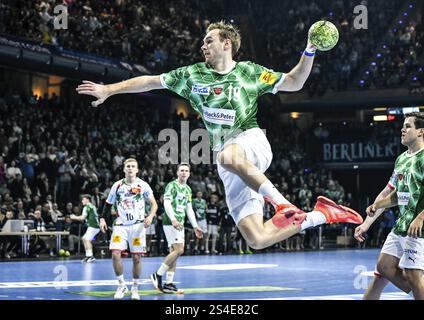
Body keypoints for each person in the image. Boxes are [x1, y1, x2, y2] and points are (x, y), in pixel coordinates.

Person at [77, 21, 363, 252]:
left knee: (229, 155)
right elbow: (150, 81)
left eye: (208, 40)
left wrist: (309, 49)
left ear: (227, 44)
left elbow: (295, 81)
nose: (203, 46)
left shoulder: (250, 72)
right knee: (256, 238)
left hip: (251, 140)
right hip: (227, 160)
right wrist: (109, 90)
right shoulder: (191, 75)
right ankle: (322, 215)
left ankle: (282, 203)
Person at [361, 112, 424, 300]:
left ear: (421, 131)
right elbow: (399, 194)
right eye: (403, 126)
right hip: (402, 225)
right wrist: (377, 204)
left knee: (413, 275)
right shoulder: (401, 159)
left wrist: (420, 218)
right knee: (384, 266)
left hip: (419, 228)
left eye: (408, 126)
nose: (403, 130)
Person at [99, 158, 158, 300]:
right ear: (124, 169)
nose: (130, 168)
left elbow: (154, 204)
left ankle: (135, 288)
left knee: (136, 257)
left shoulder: (143, 185)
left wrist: (150, 216)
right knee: (115, 254)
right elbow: (108, 204)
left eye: (133, 166)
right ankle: (121, 285)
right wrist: (102, 219)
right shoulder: (117, 185)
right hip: (121, 225)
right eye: (128, 166)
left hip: (138, 226)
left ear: (137, 170)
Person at [150, 163, 203, 293]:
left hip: (180, 222)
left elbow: (188, 208)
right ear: (177, 173)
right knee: (179, 250)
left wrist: (195, 226)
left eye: (186, 171)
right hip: (171, 221)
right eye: (181, 170)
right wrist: (173, 219)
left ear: (189, 174)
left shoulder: (188, 189)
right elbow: (167, 203)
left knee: (174, 253)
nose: (184, 172)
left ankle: (168, 284)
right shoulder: (172, 186)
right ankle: (157, 274)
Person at [70, 195, 101, 262]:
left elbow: (82, 218)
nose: (82, 201)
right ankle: (88, 256)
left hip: (93, 226)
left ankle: (91, 256)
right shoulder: (92, 206)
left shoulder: (86, 207)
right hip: (95, 226)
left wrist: (74, 217)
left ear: (87, 200)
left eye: (83, 199)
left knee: (87, 239)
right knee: (84, 238)